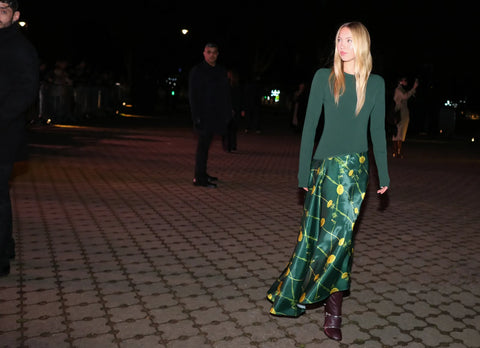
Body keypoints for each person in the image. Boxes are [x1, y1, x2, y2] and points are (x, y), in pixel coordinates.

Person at [266, 22, 389, 341]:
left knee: (341, 240)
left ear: (361, 44)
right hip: (324, 169)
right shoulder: (324, 78)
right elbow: (309, 127)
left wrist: (384, 175)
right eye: (338, 39)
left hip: (356, 172)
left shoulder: (375, 84)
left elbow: (377, 131)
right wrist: (302, 171)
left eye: (349, 40)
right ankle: (299, 290)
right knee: (315, 236)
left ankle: (333, 312)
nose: (342, 45)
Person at [0, 0, 39, 277]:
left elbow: (26, 91)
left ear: (15, 15)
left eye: (2, 10)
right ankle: (7, 243)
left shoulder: (20, 47)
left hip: (4, 133)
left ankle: (1, 253)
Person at [189, 43, 232, 188]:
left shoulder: (220, 71)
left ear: (218, 54)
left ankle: (203, 173)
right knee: (202, 147)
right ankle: (199, 178)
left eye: (214, 52)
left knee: (206, 146)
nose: (211, 55)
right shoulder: (198, 71)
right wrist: (196, 117)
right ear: (204, 53)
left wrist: (227, 112)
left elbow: (225, 94)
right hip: (203, 115)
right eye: (209, 52)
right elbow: (193, 96)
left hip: (216, 115)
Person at [392, 76, 418, 158]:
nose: (406, 82)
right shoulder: (398, 89)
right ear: (400, 81)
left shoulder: (401, 89)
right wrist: (413, 88)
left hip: (401, 112)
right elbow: (405, 96)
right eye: (404, 80)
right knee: (399, 133)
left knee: (399, 133)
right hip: (400, 113)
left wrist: (413, 90)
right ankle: (397, 153)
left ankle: (397, 152)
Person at [223, 69, 241, 152]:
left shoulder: (231, 86)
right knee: (230, 129)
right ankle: (230, 146)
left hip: (231, 109)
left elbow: (232, 98)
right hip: (229, 109)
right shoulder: (229, 85)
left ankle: (230, 146)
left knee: (230, 129)